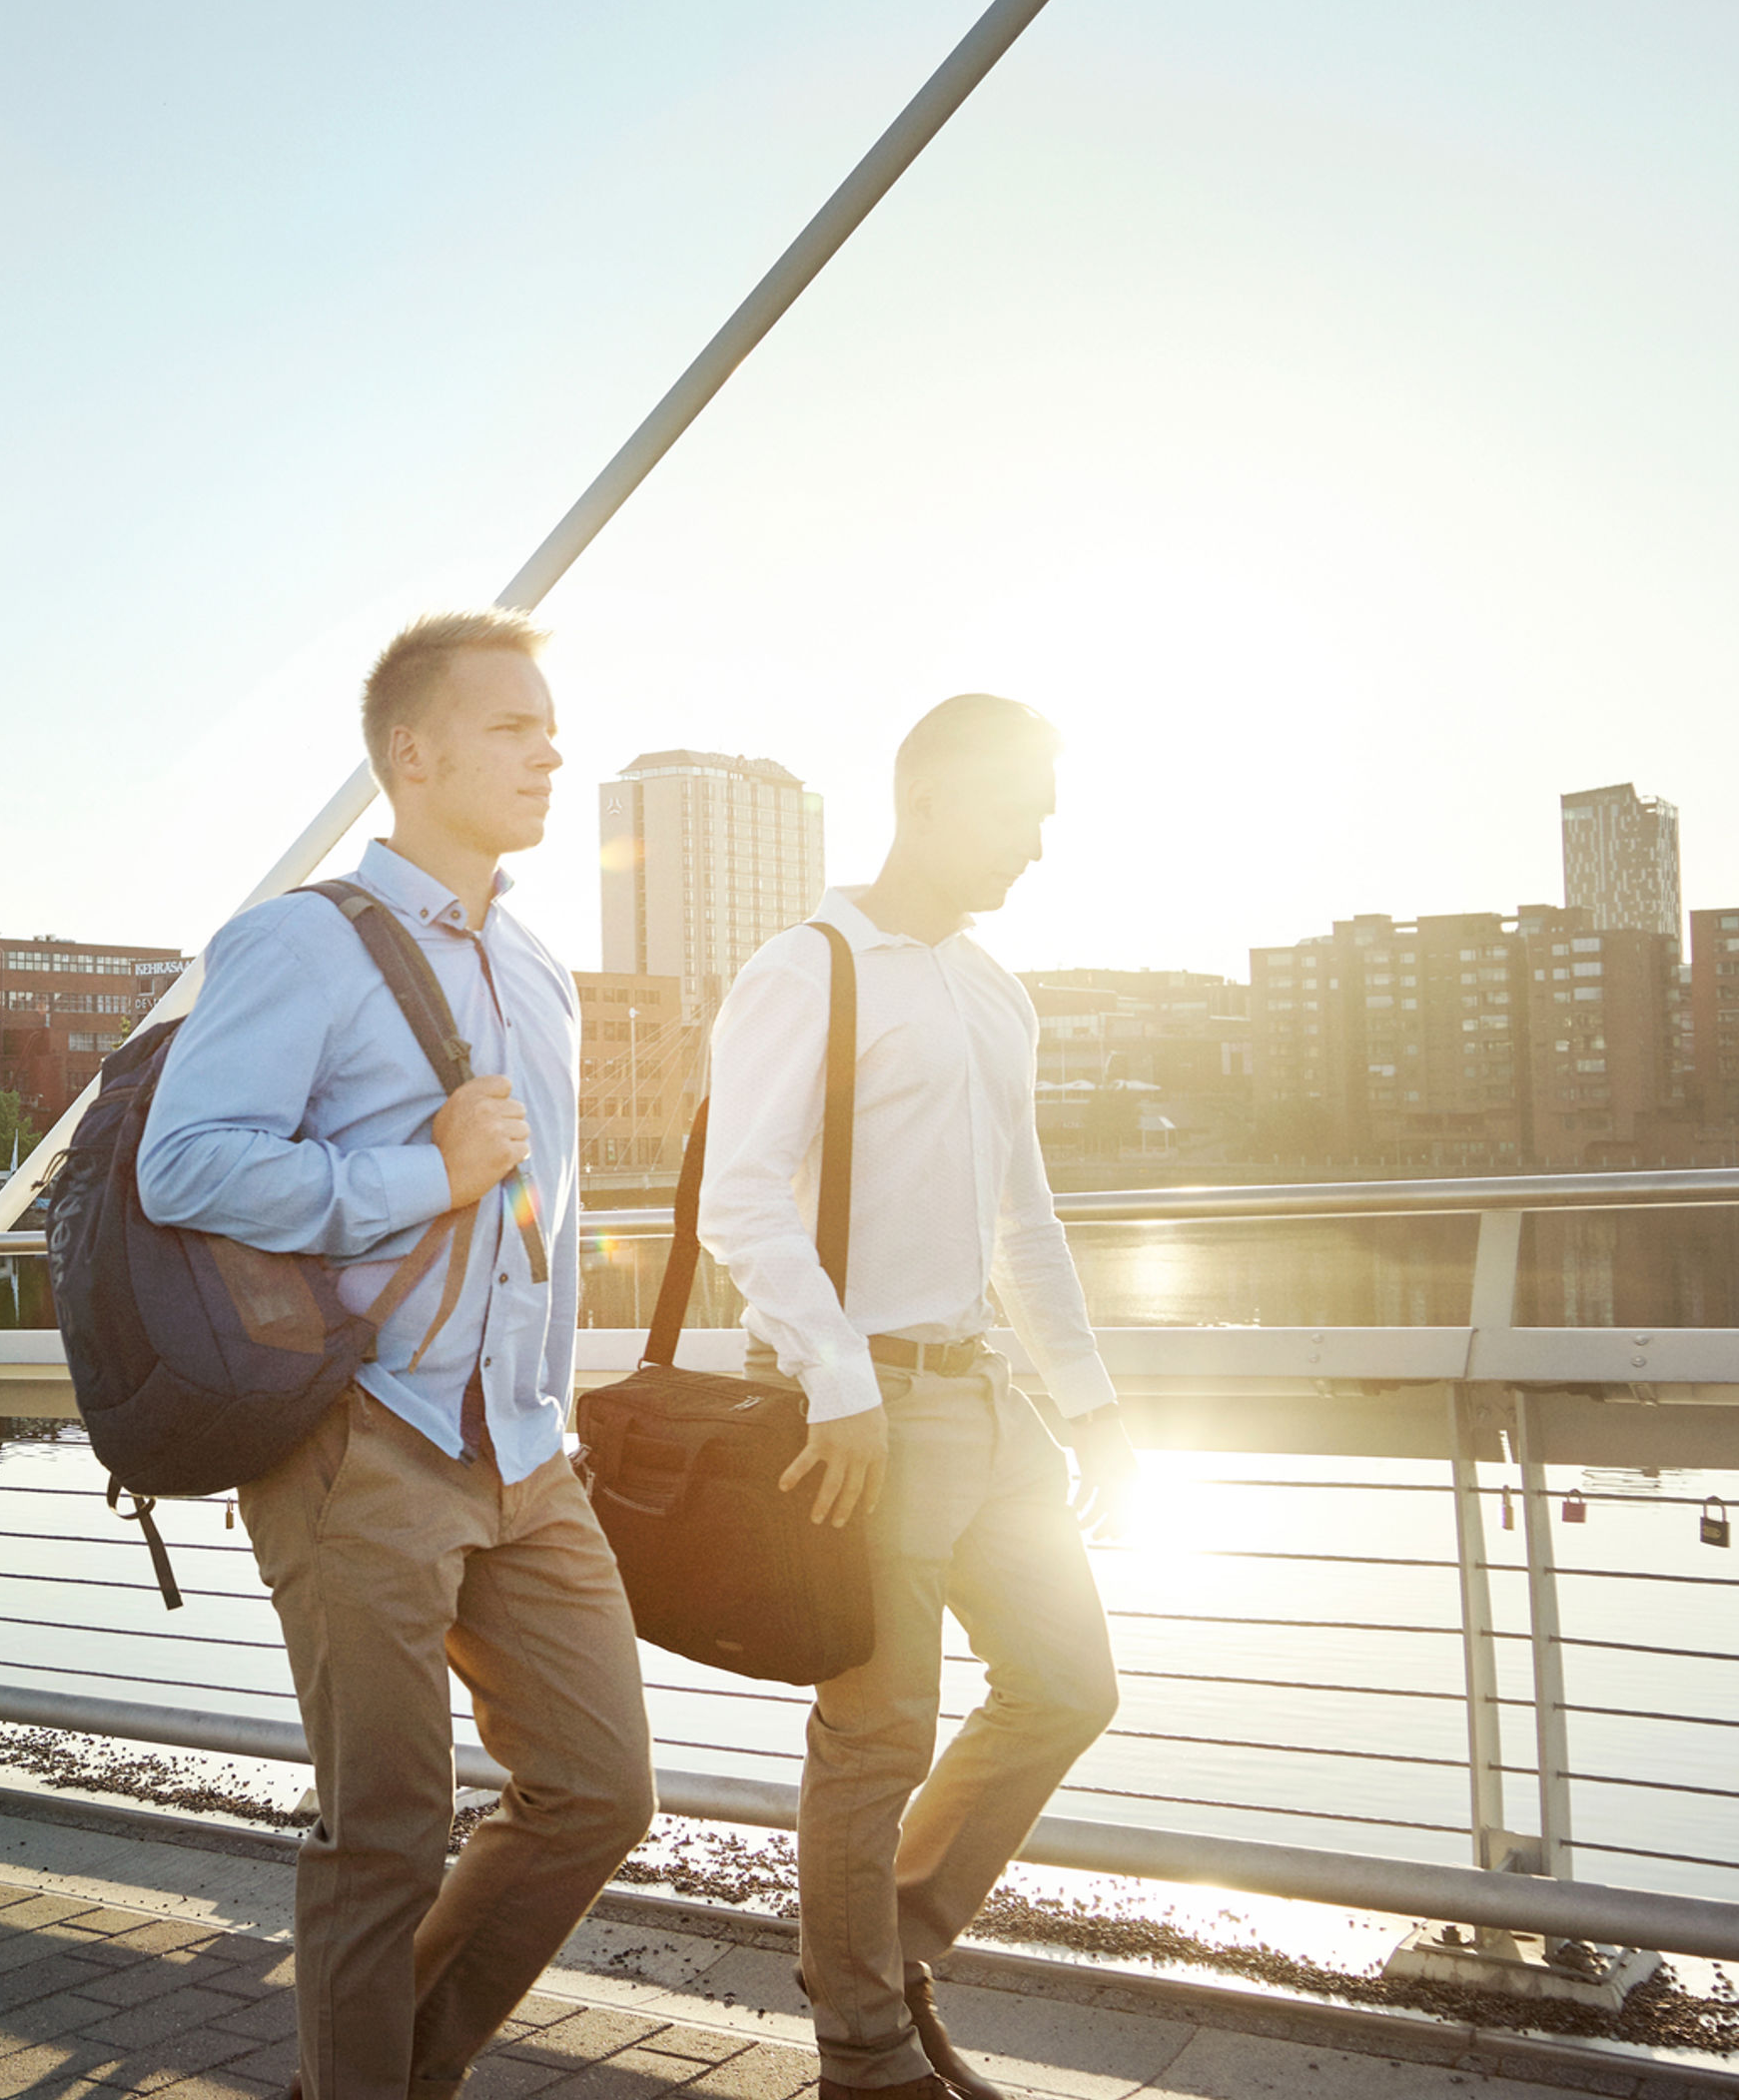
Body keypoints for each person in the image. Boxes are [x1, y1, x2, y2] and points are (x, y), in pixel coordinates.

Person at [138, 610, 653, 2100]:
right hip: (362, 1438)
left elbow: (552, 1213)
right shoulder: (300, 941)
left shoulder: (542, 970)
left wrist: (559, 1402)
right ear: (411, 756)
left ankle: (373, 2075)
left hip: (525, 1451)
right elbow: (188, 1166)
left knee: (601, 1790)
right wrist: (415, 1179)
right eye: (513, 726)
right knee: (382, 1837)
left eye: (553, 724)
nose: (551, 750)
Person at [695, 694, 1136, 2100]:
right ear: (934, 802)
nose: (1039, 847)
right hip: (864, 1413)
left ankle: (876, 1954)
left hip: (992, 1405)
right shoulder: (809, 969)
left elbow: (1028, 1224)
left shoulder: (992, 990)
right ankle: (865, 2056)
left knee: (1068, 1683)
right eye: (1023, 814)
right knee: (877, 1735)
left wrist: (1094, 1404)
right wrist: (838, 1382)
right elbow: (739, 1199)